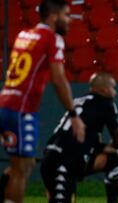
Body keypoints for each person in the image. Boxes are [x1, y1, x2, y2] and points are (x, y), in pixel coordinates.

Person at [0, 1, 85, 202]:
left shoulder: (24, 35)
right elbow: (58, 79)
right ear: (54, 16)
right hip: (21, 110)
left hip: (5, 102)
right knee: (22, 168)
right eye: (66, 15)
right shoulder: (52, 38)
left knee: (21, 165)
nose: (69, 20)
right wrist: (73, 114)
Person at [41, 72, 118, 203]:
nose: (115, 93)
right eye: (113, 88)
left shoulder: (78, 102)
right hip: (64, 163)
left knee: (112, 160)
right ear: (103, 89)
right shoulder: (106, 104)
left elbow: (94, 147)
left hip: (52, 159)